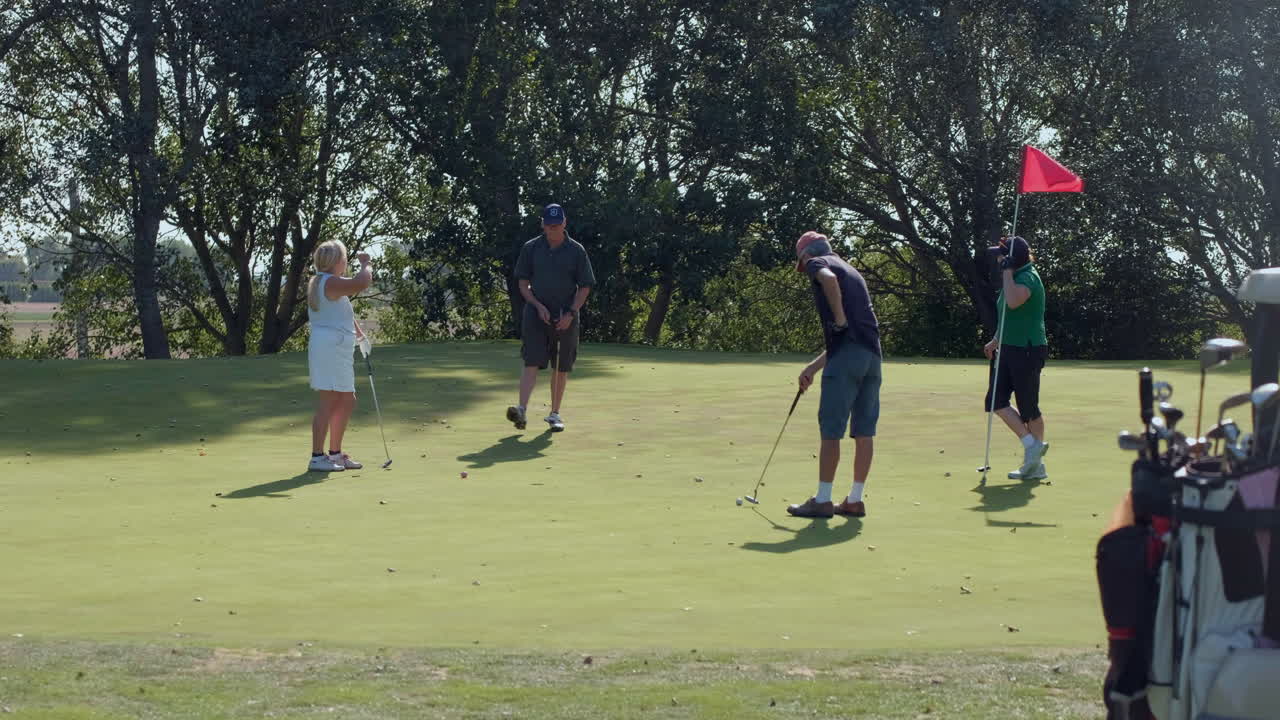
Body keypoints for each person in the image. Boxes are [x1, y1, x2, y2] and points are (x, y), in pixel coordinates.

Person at [788, 231, 882, 519]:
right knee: (864, 431)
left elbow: (827, 281)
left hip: (846, 361)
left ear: (806, 256)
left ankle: (823, 500)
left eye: (802, 265)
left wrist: (838, 319)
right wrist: (812, 369)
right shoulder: (853, 272)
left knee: (831, 431)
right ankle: (855, 500)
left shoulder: (819, 263)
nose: (806, 271)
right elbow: (847, 337)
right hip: (872, 359)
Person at [506, 203, 596, 433]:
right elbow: (523, 284)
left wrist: (571, 313)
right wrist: (536, 305)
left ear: (564, 223)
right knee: (531, 361)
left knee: (560, 366)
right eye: (549, 225)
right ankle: (522, 410)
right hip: (536, 315)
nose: (553, 229)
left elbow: (585, 286)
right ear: (543, 225)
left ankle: (554, 414)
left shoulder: (576, 250)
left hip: (566, 315)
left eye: (557, 225)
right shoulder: (531, 248)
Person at [983, 235, 1049, 480]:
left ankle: (1035, 465)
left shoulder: (1028, 277)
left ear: (1011, 259)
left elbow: (1012, 302)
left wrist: (1008, 271)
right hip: (1009, 347)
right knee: (996, 401)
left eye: (1001, 256)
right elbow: (1006, 316)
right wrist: (995, 340)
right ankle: (1033, 447)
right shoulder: (1014, 277)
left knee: (1028, 407)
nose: (997, 259)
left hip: (1028, 349)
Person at [306, 240, 372, 472]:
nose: (346, 261)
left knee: (346, 399)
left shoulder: (327, 283)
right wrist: (366, 264)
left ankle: (334, 454)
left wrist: (359, 334)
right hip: (329, 347)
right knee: (329, 400)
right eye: (344, 258)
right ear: (337, 262)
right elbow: (362, 282)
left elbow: (339, 313)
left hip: (338, 347)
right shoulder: (329, 281)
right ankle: (317, 457)